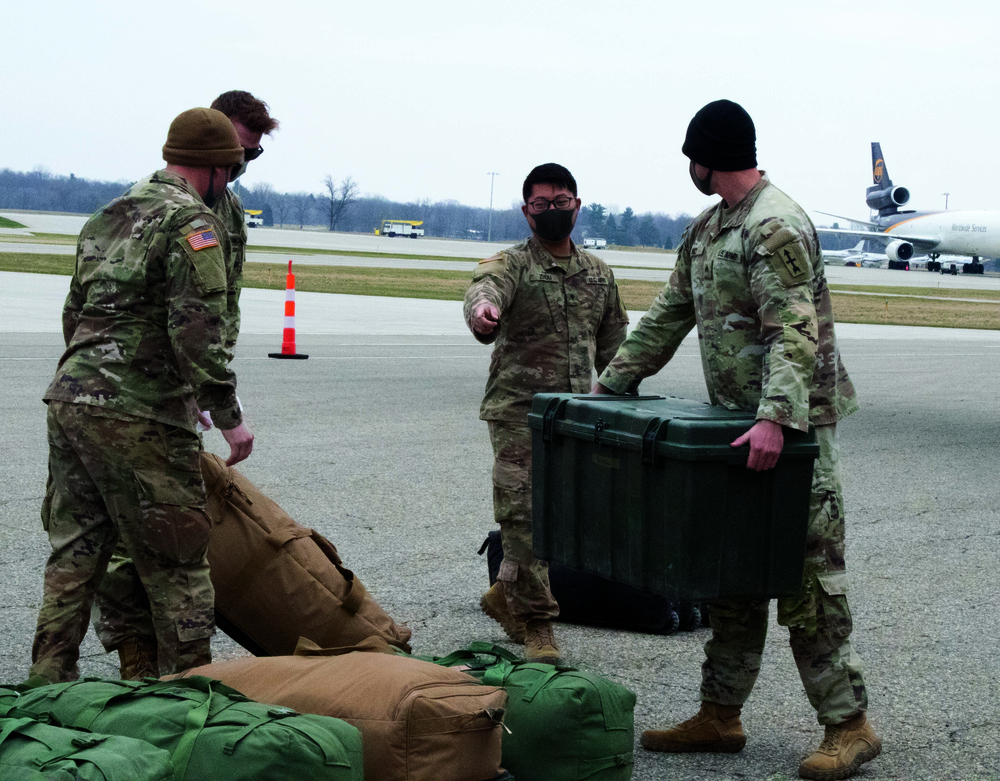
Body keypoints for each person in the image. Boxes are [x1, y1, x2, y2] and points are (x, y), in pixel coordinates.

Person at [591, 100, 881, 780]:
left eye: (689, 156)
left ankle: (850, 724)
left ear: (707, 156)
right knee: (732, 571)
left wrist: (778, 418)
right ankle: (720, 714)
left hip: (793, 434)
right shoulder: (710, 229)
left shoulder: (773, 223)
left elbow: (793, 327)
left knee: (808, 580)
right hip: (737, 429)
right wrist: (612, 383)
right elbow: (670, 313)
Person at [29, 108, 255, 684]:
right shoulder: (192, 224)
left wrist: (91, 380)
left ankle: (45, 688)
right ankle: (187, 701)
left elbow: (74, 312)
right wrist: (228, 417)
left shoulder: (110, 213)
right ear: (216, 169)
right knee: (178, 565)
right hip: (142, 412)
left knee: (74, 558)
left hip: (73, 400)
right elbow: (197, 329)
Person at [92, 91, 279, 681]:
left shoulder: (227, 207)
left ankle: (162, 661)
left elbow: (224, 305)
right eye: (237, 150)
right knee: (143, 536)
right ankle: (140, 658)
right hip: (142, 390)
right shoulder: (161, 203)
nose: (242, 162)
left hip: (185, 387)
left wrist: (209, 384)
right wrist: (220, 402)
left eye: (253, 153)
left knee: (168, 525)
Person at [464, 163, 629, 663]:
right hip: (519, 412)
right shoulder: (512, 264)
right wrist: (481, 312)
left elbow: (617, 347)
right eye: (541, 205)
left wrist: (626, 394)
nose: (552, 211)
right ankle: (537, 624)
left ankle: (503, 592)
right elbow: (484, 290)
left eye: (561, 202)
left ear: (577, 206)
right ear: (526, 212)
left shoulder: (599, 275)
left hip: (575, 417)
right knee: (523, 515)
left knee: (561, 520)